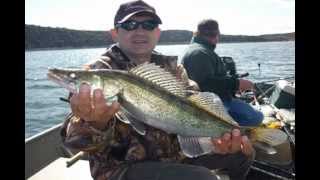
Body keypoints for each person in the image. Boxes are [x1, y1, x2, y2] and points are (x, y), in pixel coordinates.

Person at [61, 1, 255, 180]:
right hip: (122, 168)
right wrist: (96, 122)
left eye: (149, 25)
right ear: (115, 33)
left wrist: (217, 141)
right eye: (129, 25)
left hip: (176, 156)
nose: (140, 31)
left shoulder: (172, 68)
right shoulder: (97, 73)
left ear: (158, 32)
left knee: (244, 153)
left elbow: (195, 107)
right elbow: (75, 143)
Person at [181, 19, 263, 127]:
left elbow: (212, 78)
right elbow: (205, 84)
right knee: (256, 117)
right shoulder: (199, 53)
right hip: (211, 104)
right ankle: (230, 132)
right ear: (216, 35)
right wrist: (237, 84)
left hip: (219, 98)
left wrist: (233, 81)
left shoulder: (201, 50)